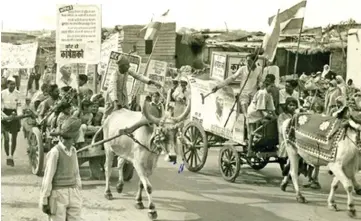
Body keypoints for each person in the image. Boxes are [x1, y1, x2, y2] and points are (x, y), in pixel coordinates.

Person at [39, 116, 83, 221]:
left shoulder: (73, 151)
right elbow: (48, 178)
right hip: (58, 194)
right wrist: (44, 200)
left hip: (73, 193)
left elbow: (76, 173)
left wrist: (78, 190)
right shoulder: (55, 152)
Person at [103, 56, 162, 132]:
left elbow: (138, 76)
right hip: (113, 99)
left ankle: (125, 131)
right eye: (127, 65)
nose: (128, 67)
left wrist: (152, 82)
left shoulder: (127, 71)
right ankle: (102, 134)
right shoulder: (114, 74)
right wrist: (115, 102)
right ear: (122, 66)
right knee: (108, 118)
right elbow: (112, 89)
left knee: (126, 114)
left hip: (123, 97)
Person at [247, 79, 276, 152]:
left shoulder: (269, 95)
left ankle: (262, 138)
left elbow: (272, 108)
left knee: (271, 121)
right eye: (271, 86)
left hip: (260, 111)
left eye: (273, 86)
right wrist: (269, 117)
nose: (273, 88)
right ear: (266, 86)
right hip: (254, 112)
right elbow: (260, 108)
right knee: (253, 131)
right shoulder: (262, 93)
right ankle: (249, 147)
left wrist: (275, 116)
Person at [1, 76, 22, 166]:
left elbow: (19, 106)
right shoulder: (2, 93)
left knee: (14, 137)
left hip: (14, 115)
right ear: (7, 84)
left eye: (14, 84)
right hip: (5, 114)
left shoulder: (18, 93)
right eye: (11, 84)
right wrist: (5, 116)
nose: (12, 86)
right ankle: (7, 156)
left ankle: (11, 156)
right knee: (6, 138)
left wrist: (19, 115)